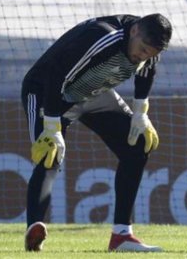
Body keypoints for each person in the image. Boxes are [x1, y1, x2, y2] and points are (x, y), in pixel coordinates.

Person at [21, 13, 172, 252]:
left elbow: (146, 72)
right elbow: (55, 73)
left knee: (138, 144)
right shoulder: (103, 37)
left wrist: (140, 113)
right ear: (134, 32)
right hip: (47, 92)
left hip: (92, 92)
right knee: (49, 155)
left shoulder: (149, 46)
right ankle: (34, 230)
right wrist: (52, 125)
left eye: (149, 54)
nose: (143, 57)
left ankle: (122, 236)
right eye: (142, 50)